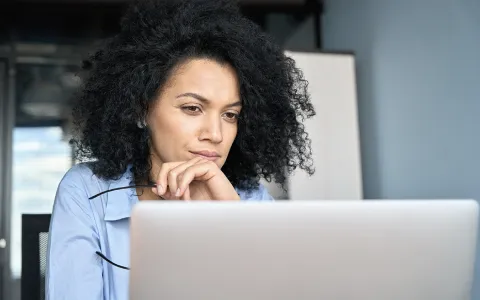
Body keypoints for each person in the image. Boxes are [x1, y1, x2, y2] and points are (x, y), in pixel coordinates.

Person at [45, 0, 315, 299]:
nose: (215, 134)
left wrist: (232, 224)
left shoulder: (251, 201)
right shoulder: (87, 191)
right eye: (192, 108)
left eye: (230, 115)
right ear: (140, 110)